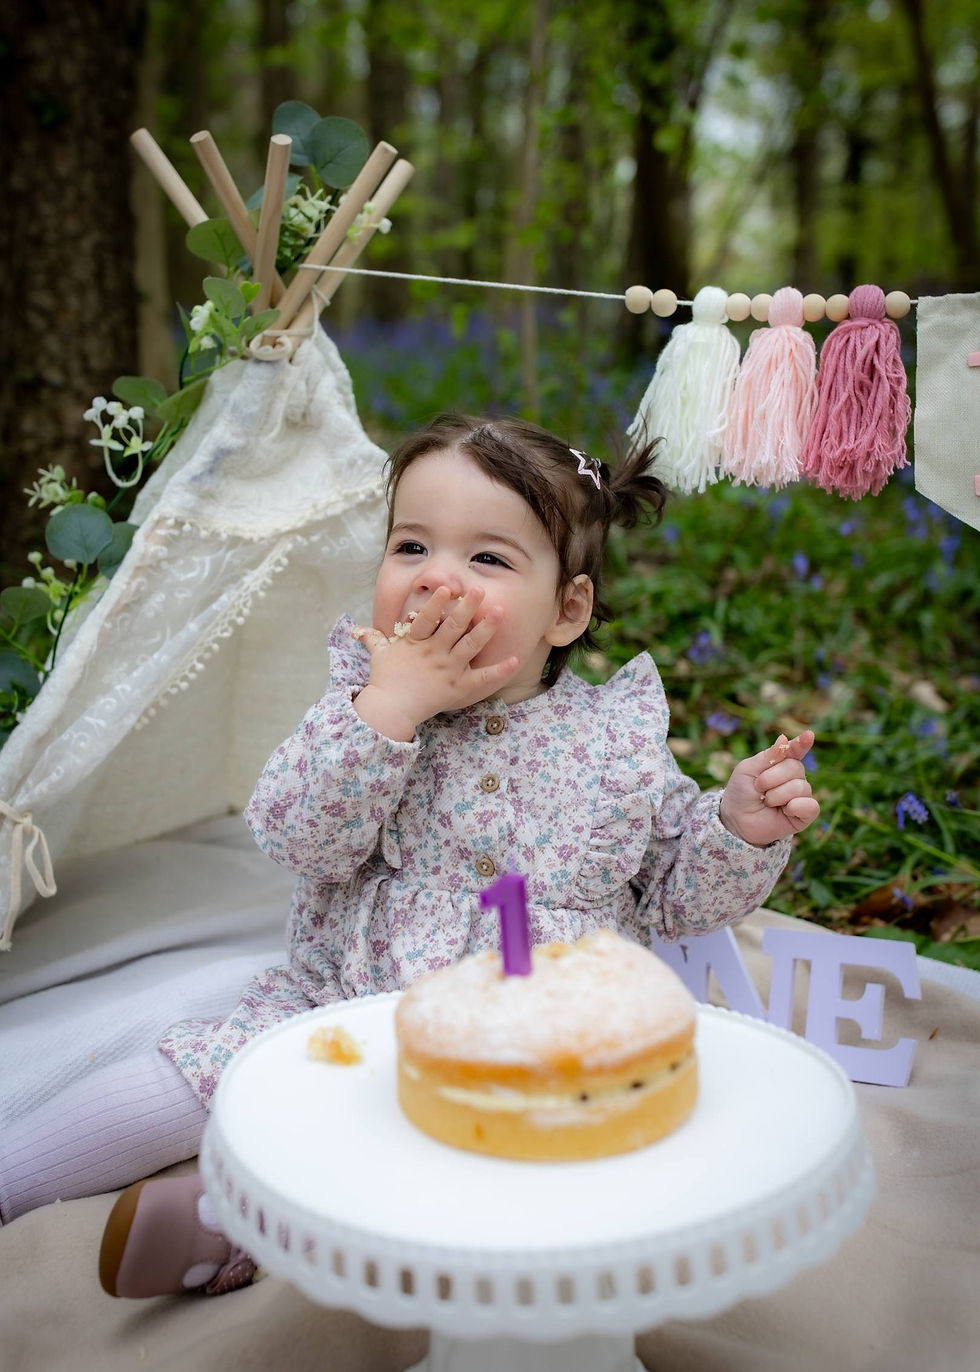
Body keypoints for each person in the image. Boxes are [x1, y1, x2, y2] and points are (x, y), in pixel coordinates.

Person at [0, 414, 819, 1297]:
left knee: (472, 1168)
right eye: (411, 546)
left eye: (488, 558)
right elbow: (296, 836)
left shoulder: (613, 738)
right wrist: (390, 711)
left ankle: (239, 1221)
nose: (435, 576)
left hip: (534, 1043)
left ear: (567, 611)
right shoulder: (366, 698)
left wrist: (738, 828)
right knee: (183, 1081)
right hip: (343, 1005)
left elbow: (675, 896)